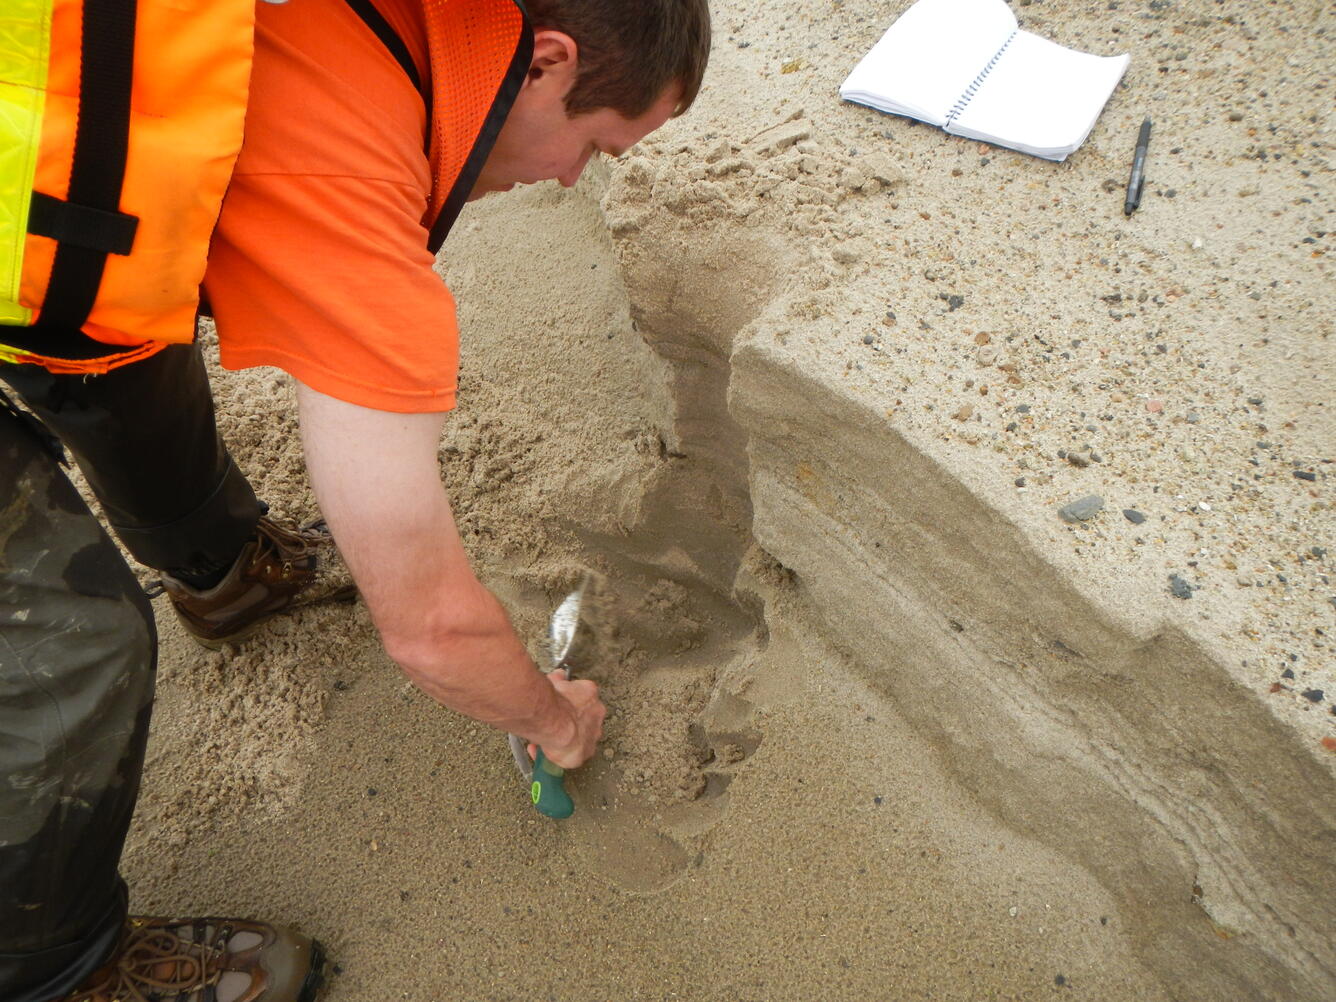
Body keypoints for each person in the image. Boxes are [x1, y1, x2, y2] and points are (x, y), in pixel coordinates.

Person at [0, 0, 710, 999]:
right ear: (545, 62)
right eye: (597, 146)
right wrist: (552, 719)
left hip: (40, 158)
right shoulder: (349, 199)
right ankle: (56, 968)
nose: (566, 179)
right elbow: (430, 632)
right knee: (69, 640)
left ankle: (224, 568)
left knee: (122, 332)